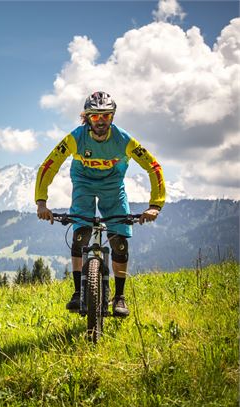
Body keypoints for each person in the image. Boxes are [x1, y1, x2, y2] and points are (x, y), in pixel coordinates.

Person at [34, 91, 165, 317]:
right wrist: (41, 202)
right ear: (86, 118)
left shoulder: (124, 140)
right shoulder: (75, 137)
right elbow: (49, 165)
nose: (101, 121)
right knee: (80, 233)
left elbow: (153, 167)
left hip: (113, 186)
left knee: (119, 240)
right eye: (95, 117)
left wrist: (155, 205)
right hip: (83, 183)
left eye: (106, 116)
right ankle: (77, 293)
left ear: (112, 117)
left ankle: (120, 297)